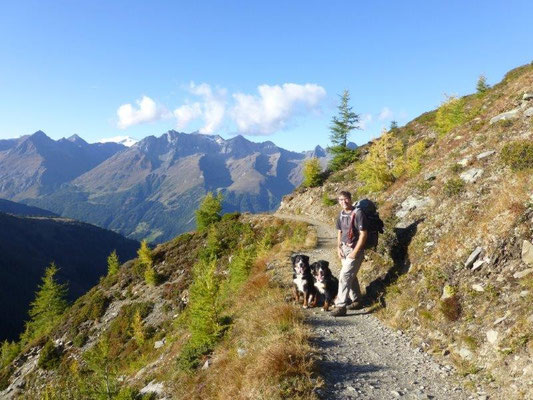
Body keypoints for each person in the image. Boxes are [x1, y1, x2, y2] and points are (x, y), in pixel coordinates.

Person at [331, 190, 368, 317]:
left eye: (345, 199)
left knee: (344, 276)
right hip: (344, 248)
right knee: (350, 276)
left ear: (350, 199)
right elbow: (340, 232)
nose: (343, 202)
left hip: (354, 250)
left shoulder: (358, 213)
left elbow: (363, 234)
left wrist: (355, 252)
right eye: (341, 200)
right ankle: (357, 300)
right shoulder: (341, 214)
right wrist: (338, 247)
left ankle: (341, 306)